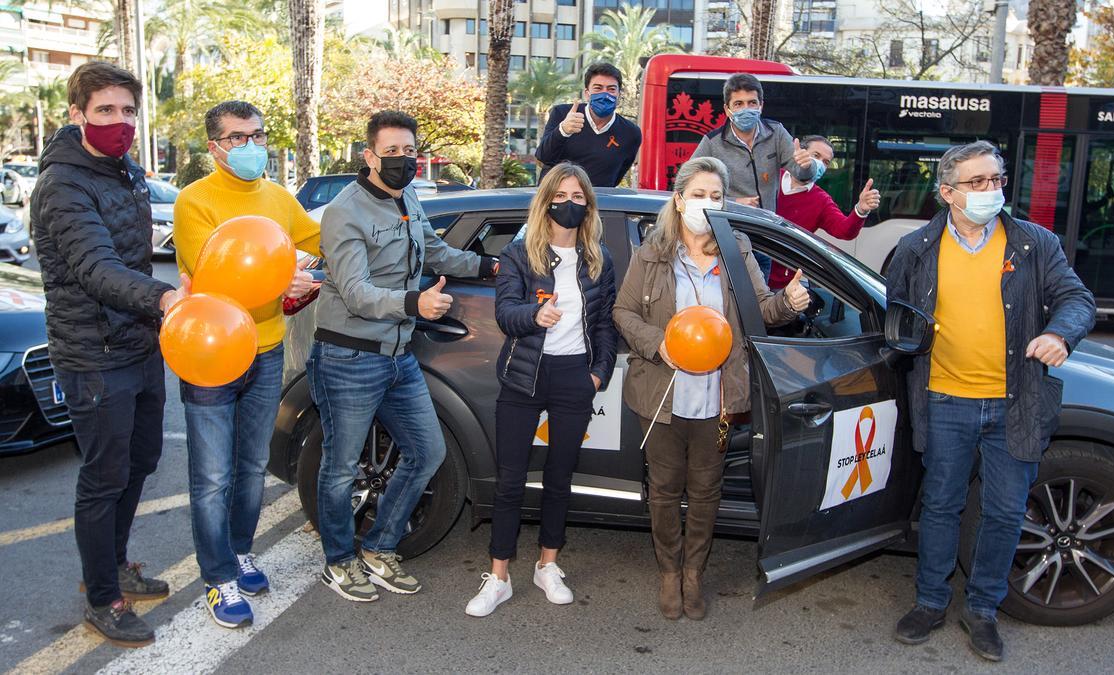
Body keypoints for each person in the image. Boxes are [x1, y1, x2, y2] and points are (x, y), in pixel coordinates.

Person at [887, 141, 1095, 662]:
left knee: (1003, 513)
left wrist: (1061, 335)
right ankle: (931, 602)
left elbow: (1076, 299)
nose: (990, 191)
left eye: (997, 180)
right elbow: (894, 320)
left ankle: (982, 610)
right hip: (945, 401)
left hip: (1017, 402)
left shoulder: (1033, 243)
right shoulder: (916, 249)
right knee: (940, 507)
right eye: (977, 183)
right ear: (948, 192)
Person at [310, 110, 498, 603]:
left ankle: (379, 547)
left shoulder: (409, 197)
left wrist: (490, 265)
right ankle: (338, 561)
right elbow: (354, 292)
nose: (402, 160)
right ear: (368, 155)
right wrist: (415, 303)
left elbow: (435, 251)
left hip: (398, 355)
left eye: (409, 151)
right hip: (349, 357)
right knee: (340, 466)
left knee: (427, 452)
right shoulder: (344, 211)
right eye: (391, 151)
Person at [31, 61, 188, 648]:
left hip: (138, 341)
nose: (119, 122)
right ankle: (103, 596)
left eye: (128, 111)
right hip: (92, 354)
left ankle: (116, 562)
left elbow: (136, 254)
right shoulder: (63, 184)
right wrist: (165, 297)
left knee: (143, 460)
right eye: (105, 111)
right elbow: (96, 268)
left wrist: (157, 306)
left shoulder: (125, 171)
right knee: (103, 478)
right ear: (77, 114)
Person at [613, 156, 809, 621]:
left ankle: (694, 574)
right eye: (698, 194)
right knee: (663, 488)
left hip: (718, 396)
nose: (707, 203)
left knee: (705, 489)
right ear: (679, 200)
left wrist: (790, 302)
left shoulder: (736, 249)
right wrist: (658, 344)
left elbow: (763, 309)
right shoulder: (653, 252)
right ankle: (668, 572)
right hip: (662, 393)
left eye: (716, 196)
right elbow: (623, 312)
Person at [172, 100, 320, 629]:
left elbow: (316, 239)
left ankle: (238, 551)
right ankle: (218, 578)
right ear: (214, 147)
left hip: (265, 348)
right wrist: (285, 283)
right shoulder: (195, 201)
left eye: (257, 135)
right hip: (210, 352)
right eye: (237, 138)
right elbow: (213, 278)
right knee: (212, 476)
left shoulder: (279, 198)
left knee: (253, 467)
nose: (250, 146)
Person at [464, 162, 618, 617]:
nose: (569, 204)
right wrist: (534, 316)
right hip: (523, 376)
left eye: (578, 197)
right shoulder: (519, 254)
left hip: (575, 377)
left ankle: (547, 564)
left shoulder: (599, 258)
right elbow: (505, 314)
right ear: (546, 199)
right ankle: (498, 576)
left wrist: (597, 374)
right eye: (561, 196)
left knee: (559, 478)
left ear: (587, 205)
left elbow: (606, 323)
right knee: (510, 481)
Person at [689, 73, 816, 214]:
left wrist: (806, 166)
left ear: (761, 106)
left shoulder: (776, 132)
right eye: (738, 104)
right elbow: (688, 187)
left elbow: (803, 176)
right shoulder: (713, 142)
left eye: (752, 103)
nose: (746, 109)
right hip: (729, 224)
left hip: (765, 225)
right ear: (727, 110)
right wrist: (733, 203)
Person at [769, 134, 881, 288]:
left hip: (784, 285)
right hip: (750, 271)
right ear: (800, 152)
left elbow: (845, 231)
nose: (819, 164)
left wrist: (861, 210)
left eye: (826, 162)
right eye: (816, 156)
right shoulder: (770, 177)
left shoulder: (821, 200)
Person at [535, 63, 642, 188]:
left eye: (611, 89)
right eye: (598, 88)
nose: (605, 94)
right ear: (587, 93)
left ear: (619, 94)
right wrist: (563, 131)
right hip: (554, 197)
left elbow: (617, 175)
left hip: (598, 202)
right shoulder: (563, 114)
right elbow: (543, 158)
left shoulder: (630, 133)